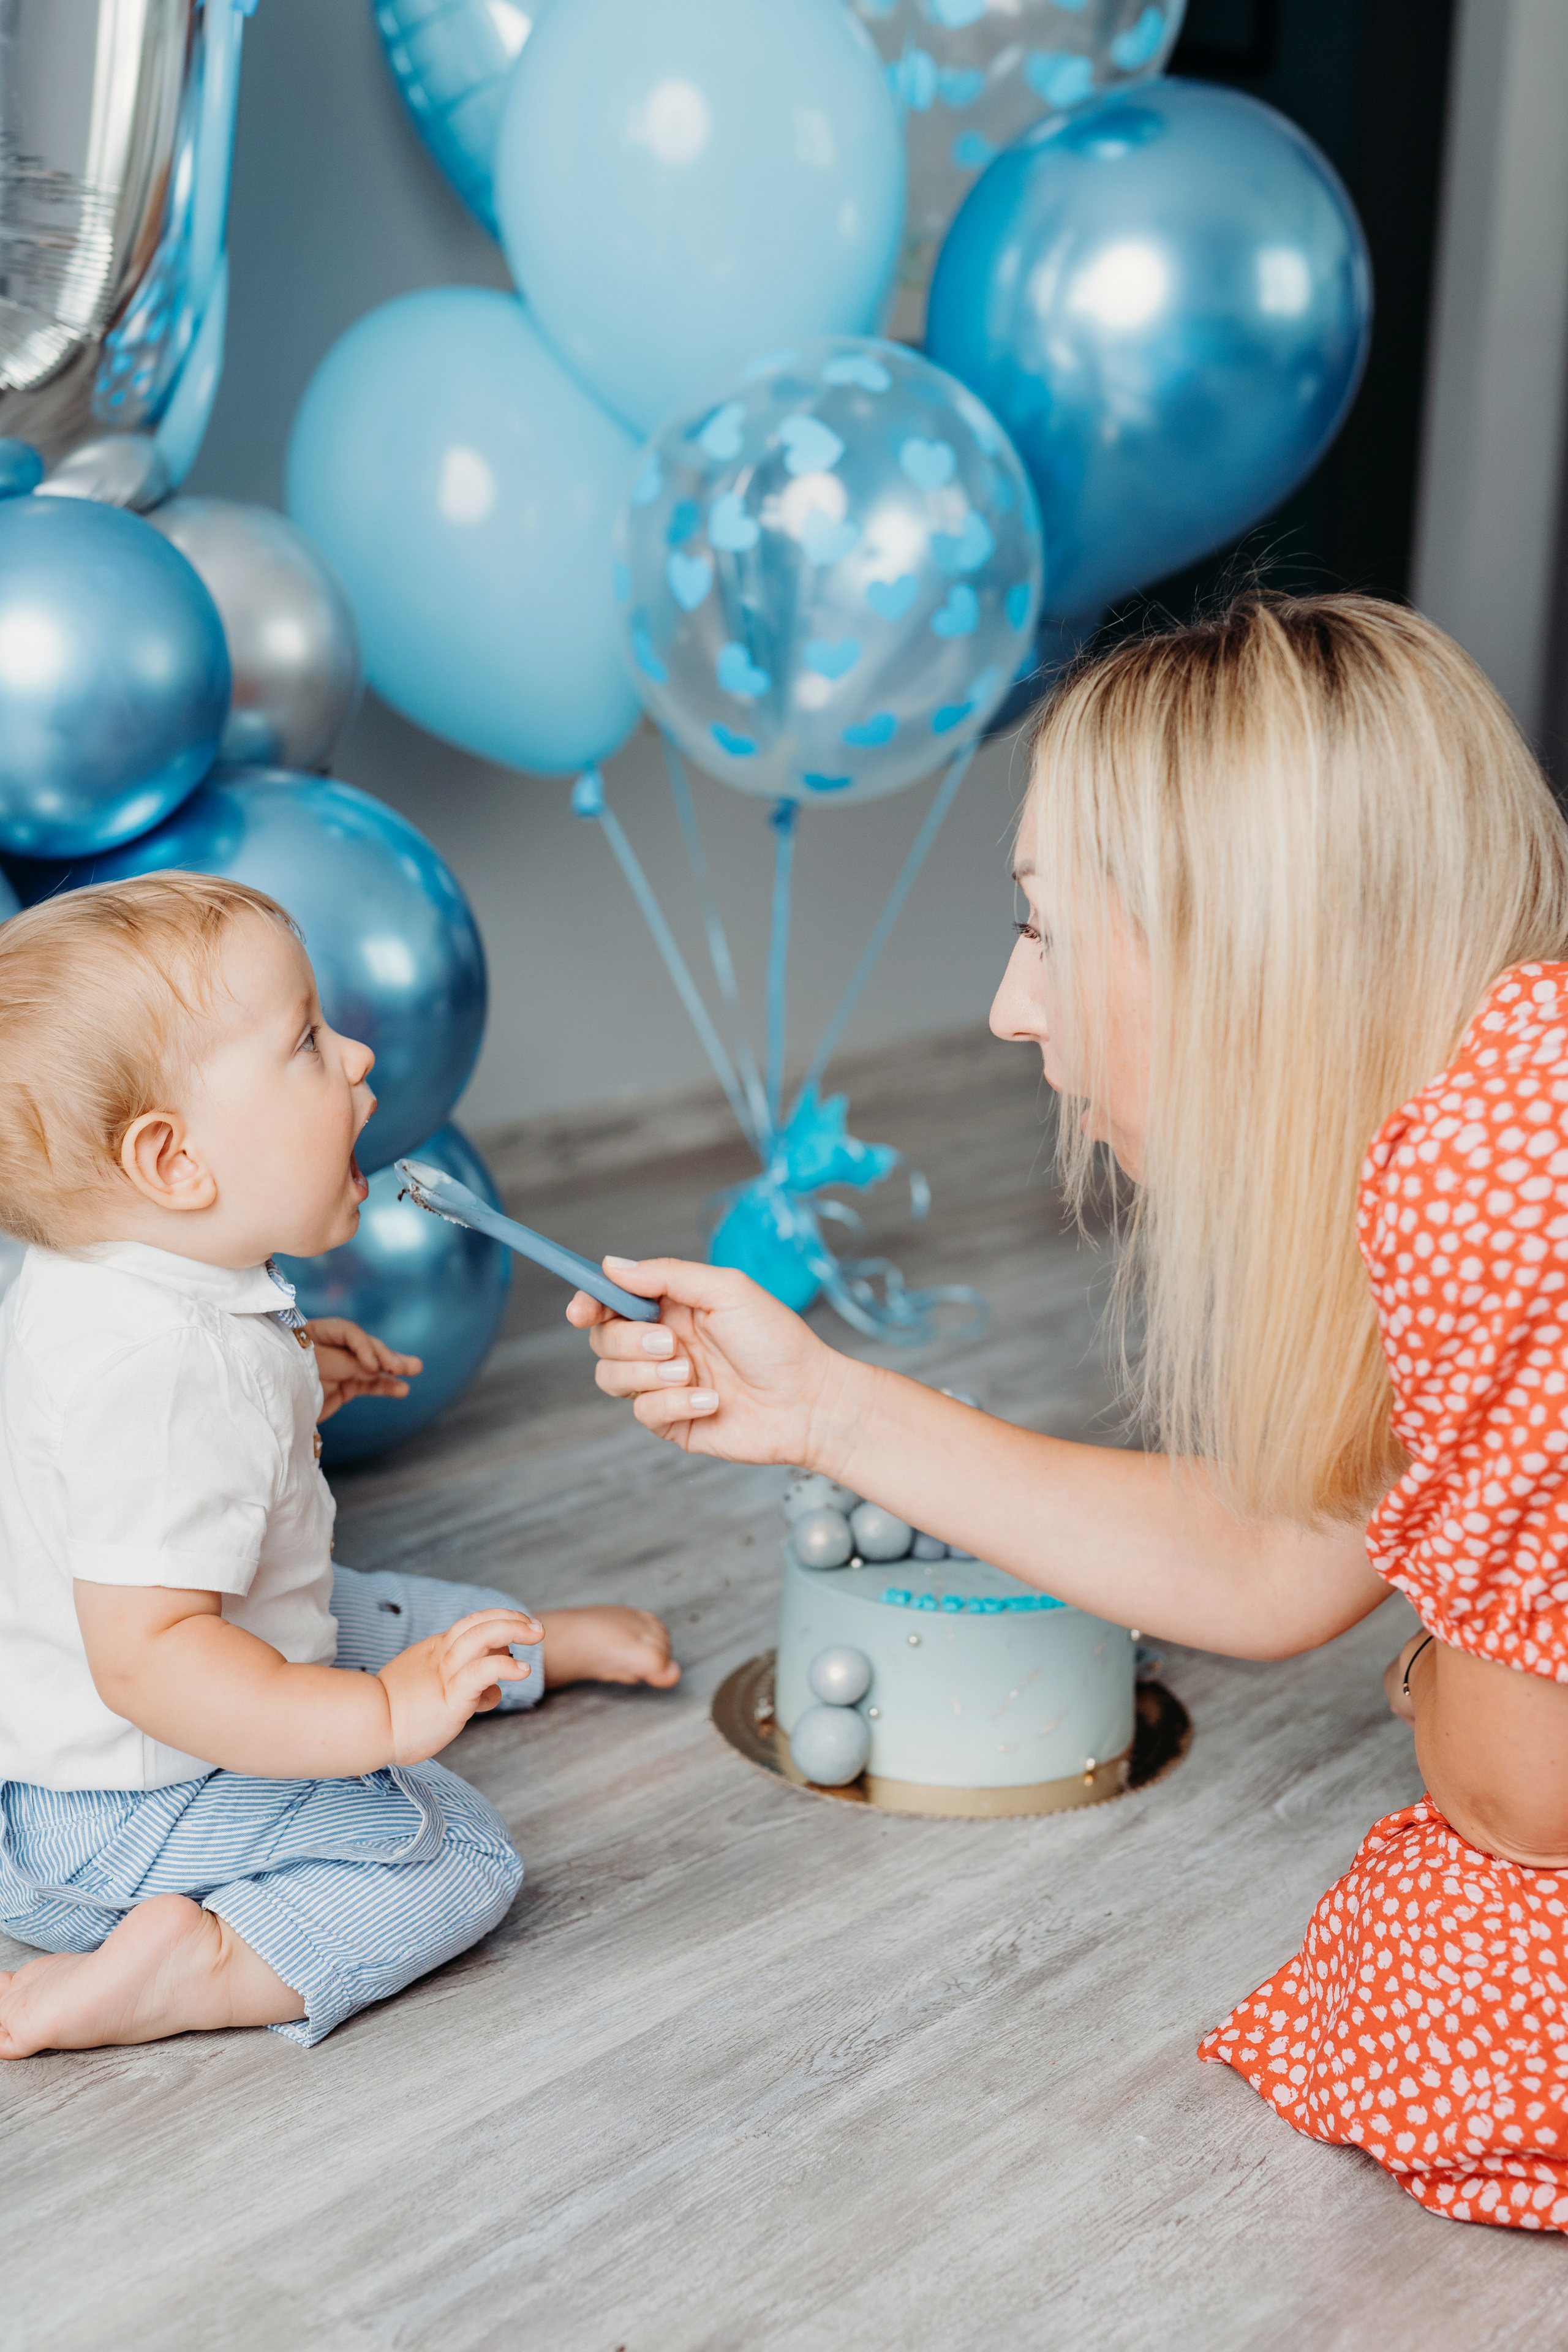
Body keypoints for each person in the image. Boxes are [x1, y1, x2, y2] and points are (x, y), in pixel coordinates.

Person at [571, 593, 1568, 2231]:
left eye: (1042, 925)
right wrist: (820, 1406)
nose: (1008, 1011)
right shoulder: (1471, 1125)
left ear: (1237, 934)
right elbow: (1277, 1564)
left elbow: (1524, 1800)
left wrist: (1442, 1676)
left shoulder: (1498, 1180)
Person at [0, 872, 677, 2059]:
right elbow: (155, 1664)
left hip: (62, 1746)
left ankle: (520, 1652)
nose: (357, 1055)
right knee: (454, 1851)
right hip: (116, 1816)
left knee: (362, 1603)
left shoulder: (124, 1291)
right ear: (173, 1162)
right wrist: (380, 1717)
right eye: (307, 1041)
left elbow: (129, 1464)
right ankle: (196, 1966)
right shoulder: (171, 1378)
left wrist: (292, 1373)